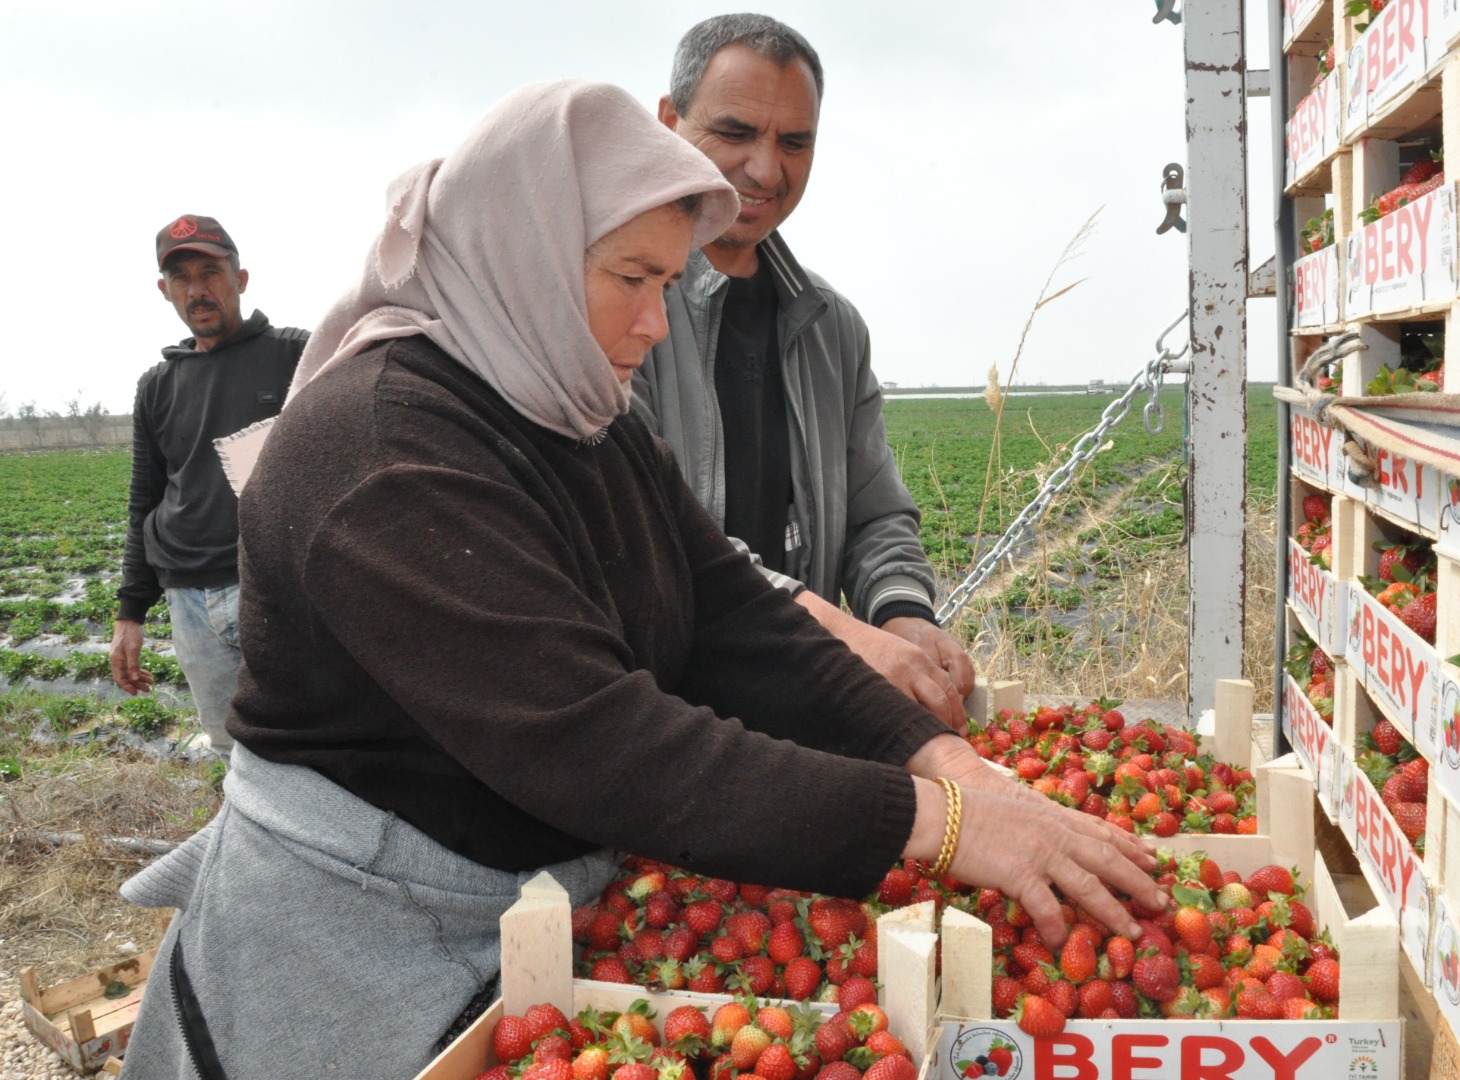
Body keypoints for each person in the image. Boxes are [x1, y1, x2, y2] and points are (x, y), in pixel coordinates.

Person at [116, 80, 1167, 1078]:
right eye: (631, 278)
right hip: (366, 934)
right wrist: (942, 826)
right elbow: (601, 741)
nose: (657, 323)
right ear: (518, 255)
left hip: (522, 898)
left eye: (668, 283)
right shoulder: (384, 448)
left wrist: (941, 756)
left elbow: (727, 610)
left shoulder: (574, 407)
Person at [633, 14, 976, 731]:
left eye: (795, 142)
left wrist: (902, 612)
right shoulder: (625, 306)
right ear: (668, 122)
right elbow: (652, 532)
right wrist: (837, 632)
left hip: (795, 717)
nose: (766, 169)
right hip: (660, 724)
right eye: (734, 133)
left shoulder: (830, 326)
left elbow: (874, 513)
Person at [111, 216, 307, 756]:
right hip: (187, 601)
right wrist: (130, 613)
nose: (197, 289)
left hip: (273, 590)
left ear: (240, 278)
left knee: (310, 743)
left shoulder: (297, 356)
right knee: (230, 751)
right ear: (165, 290)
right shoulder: (157, 385)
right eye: (181, 277)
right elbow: (144, 500)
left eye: (210, 271)